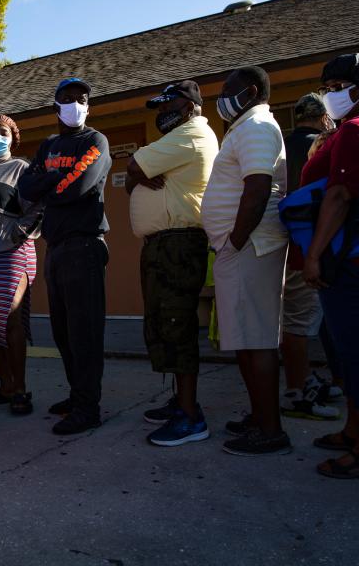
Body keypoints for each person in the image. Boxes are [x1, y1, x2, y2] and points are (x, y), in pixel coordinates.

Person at [298, 53, 359, 479]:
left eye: (338, 86)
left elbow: (339, 195)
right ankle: (354, 430)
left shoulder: (356, 130)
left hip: (344, 255)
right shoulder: (352, 128)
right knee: (346, 347)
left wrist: (314, 254)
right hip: (344, 252)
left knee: (357, 352)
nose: (330, 94)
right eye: (328, 86)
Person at [201, 65, 291, 456]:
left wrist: (234, 240)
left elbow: (257, 189)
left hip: (250, 248)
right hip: (241, 248)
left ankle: (270, 430)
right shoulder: (246, 128)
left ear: (250, 92)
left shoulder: (257, 127)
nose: (221, 97)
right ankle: (259, 417)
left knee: (256, 340)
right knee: (244, 339)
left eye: (227, 90)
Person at [125, 80, 218, 446]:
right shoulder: (175, 139)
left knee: (176, 324)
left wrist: (140, 172)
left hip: (178, 244)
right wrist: (139, 175)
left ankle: (191, 415)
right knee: (165, 324)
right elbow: (131, 179)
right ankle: (180, 401)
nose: (162, 112)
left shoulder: (192, 133)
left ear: (190, 106)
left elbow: (133, 165)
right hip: (164, 244)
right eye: (160, 107)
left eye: (168, 106)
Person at [18, 78, 112, 435]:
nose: (76, 103)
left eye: (82, 99)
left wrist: (50, 184)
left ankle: (89, 407)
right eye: (68, 98)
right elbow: (26, 188)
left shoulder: (95, 141)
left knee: (84, 331)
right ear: (55, 105)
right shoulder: (49, 145)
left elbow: (81, 185)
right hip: (55, 247)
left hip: (84, 244)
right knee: (62, 330)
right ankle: (77, 394)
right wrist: (54, 182)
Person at [280, 93, 341, 421]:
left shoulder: (280, 146)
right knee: (300, 320)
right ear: (323, 118)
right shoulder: (323, 146)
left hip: (287, 240)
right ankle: (298, 389)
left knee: (300, 317)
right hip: (312, 241)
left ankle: (306, 378)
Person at [0, 114, 42, 415]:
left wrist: (21, 231)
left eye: (2, 132)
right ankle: (4, 385)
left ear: (13, 137)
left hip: (15, 252)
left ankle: (20, 388)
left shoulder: (22, 169)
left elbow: (40, 208)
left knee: (10, 319)